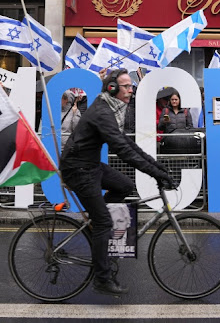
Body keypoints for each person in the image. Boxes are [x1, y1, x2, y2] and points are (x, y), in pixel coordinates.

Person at [60, 69, 172, 296]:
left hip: (90, 166)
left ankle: (96, 221)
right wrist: (155, 173)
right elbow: (123, 151)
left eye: (131, 86)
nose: (131, 90)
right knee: (104, 223)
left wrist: (159, 168)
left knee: (125, 186)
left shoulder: (111, 109)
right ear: (112, 88)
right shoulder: (103, 112)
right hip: (78, 170)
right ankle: (102, 279)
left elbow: (129, 146)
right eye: (127, 86)